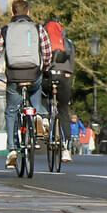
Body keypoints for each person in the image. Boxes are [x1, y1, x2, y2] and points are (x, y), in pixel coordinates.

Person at [0, 0, 51, 169]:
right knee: (36, 95)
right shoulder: (38, 29)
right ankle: (39, 115)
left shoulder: (5, 30)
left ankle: (12, 149)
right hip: (33, 74)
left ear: (12, 13)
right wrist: (44, 69)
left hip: (14, 76)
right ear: (29, 12)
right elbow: (46, 51)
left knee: (10, 111)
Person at [44, 18, 75, 162]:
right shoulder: (68, 43)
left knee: (42, 95)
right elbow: (72, 65)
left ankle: (44, 117)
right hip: (64, 77)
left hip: (49, 76)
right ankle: (66, 148)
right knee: (63, 111)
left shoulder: (44, 41)